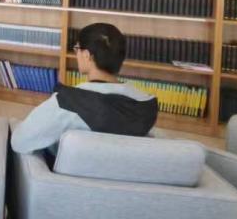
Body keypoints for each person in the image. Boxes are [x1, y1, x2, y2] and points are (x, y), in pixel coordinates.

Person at [12, 23, 157, 157]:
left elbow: (20, 141)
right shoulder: (147, 105)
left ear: (87, 55)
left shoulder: (67, 102)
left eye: (77, 48)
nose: (76, 54)